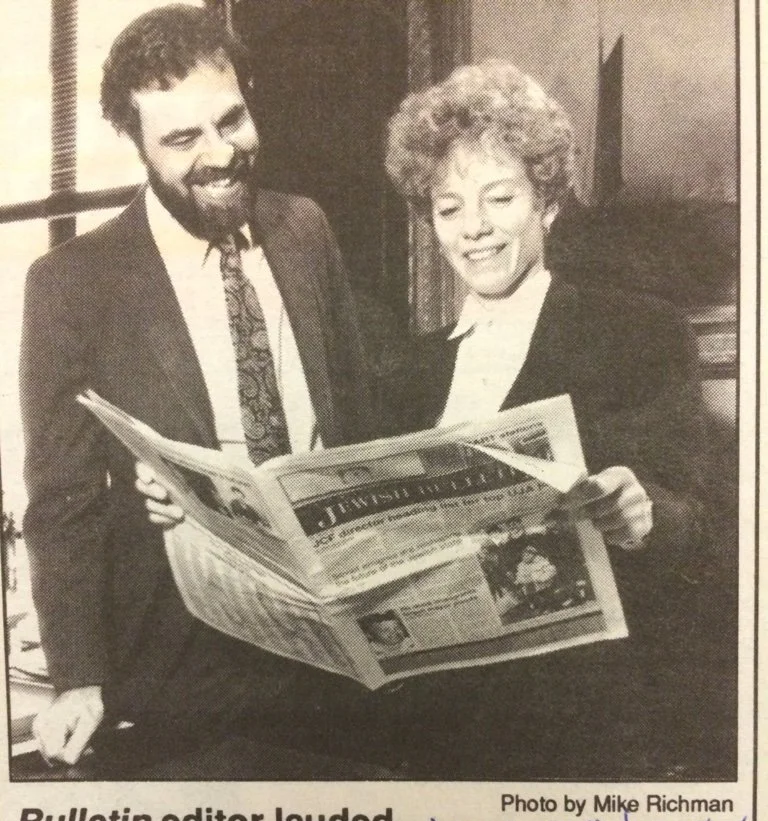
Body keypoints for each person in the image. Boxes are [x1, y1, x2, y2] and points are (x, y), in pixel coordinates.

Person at [21, 5, 375, 767]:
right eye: (182, 138)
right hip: (190, 671)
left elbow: (354, 418)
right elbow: (64, 502)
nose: (220, 155)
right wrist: (78, 677)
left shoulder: (306, 228)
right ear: (137, 144)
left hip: (338, 647)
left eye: (231, 120)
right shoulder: (72, 284)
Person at [369, 61, 724, 778]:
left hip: (575, 728)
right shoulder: (405, 374)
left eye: (499, 198)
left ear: (548, 204)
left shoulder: (637, 333)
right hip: (426, 732)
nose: (474, 229)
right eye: (449, 207)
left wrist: (640, 511)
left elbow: (694, 524)